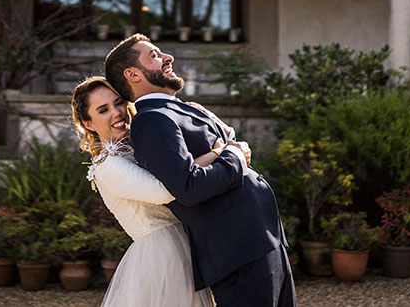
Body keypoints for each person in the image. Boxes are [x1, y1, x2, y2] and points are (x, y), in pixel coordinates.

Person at [104, 34, 295, 307]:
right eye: (154, 55)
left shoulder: (177, 109)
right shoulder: (151, 121)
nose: (167, 57)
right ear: (133, 74)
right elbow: (188, 188)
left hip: (262, 238)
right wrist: (235, 155)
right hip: (236, 249)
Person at [70, 76, 225, 307]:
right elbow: (165, 189)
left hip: (185, 245)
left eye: (119, 102)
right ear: (88, 123)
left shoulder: (139, 146)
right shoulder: (107, 167)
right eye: (103, 110)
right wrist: (218, 153)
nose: (117, 112)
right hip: (162, 254)